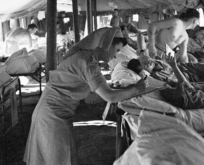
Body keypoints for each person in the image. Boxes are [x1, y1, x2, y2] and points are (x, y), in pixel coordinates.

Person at [23, 27, 148, 165]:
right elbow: (109, 97)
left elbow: (93, 95)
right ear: (106, 44)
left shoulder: (86, 58)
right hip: (51, 115)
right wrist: (135, 88)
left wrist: (120, 91)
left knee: (61, 156)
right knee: (56, 158)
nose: (115, 56)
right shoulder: (87, 63)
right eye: (116, 50)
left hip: (52, 112)